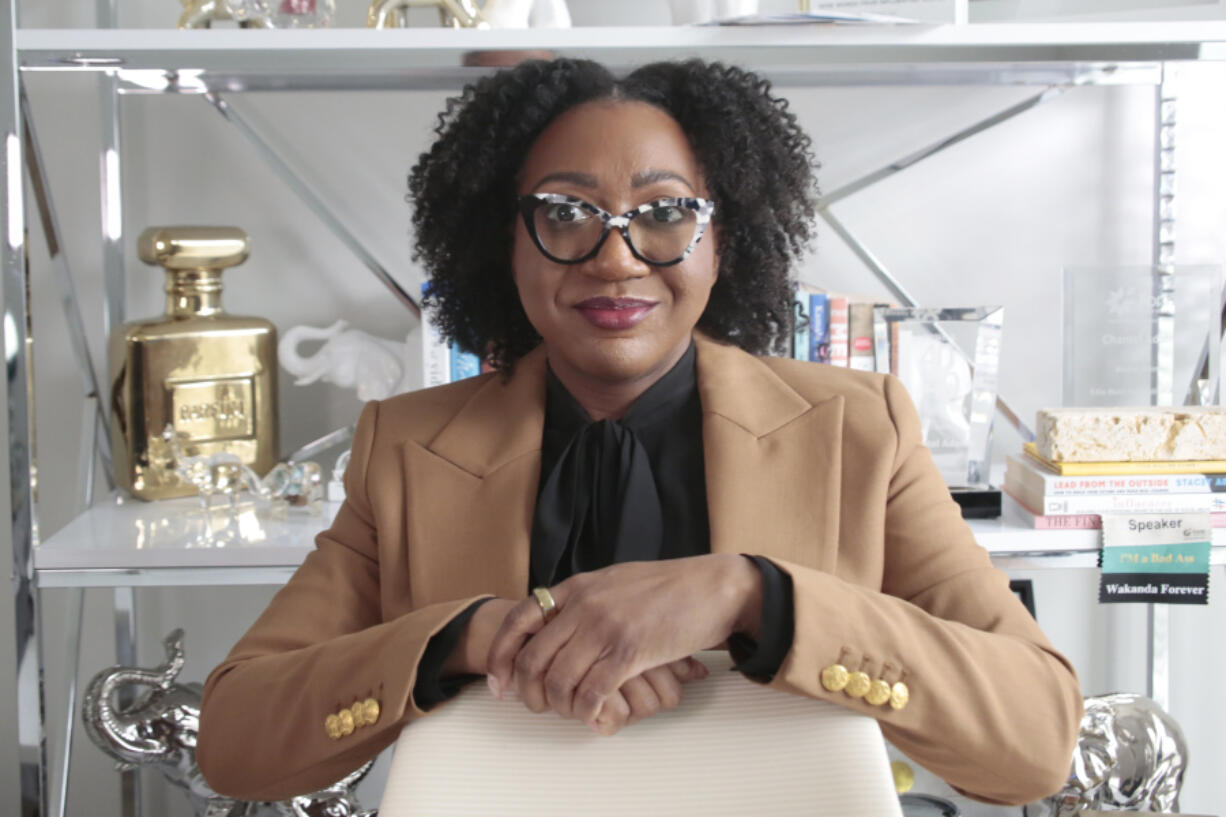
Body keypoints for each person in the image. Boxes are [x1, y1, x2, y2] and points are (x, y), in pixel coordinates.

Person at [197, 58, 1082, 806]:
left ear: (721, 241)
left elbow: (1036, 734)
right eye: (565, 213)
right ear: (504, 243)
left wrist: (756, 596)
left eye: (663, 214)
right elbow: (236, 737)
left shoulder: (859, 431)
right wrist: (467, 636)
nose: (615, 257)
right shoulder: (406, 447)